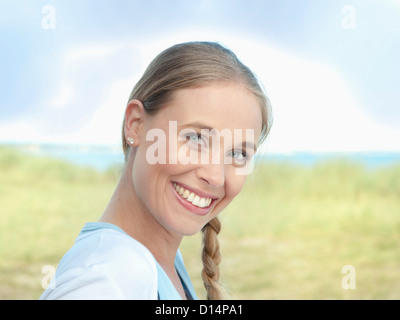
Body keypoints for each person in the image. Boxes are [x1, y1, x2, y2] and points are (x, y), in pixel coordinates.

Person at [40, 41, 272, 300]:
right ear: (135, 124)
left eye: (238, 154)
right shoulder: (107, 280)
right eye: (195, 138)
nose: (216, 176)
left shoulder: (160, 263)